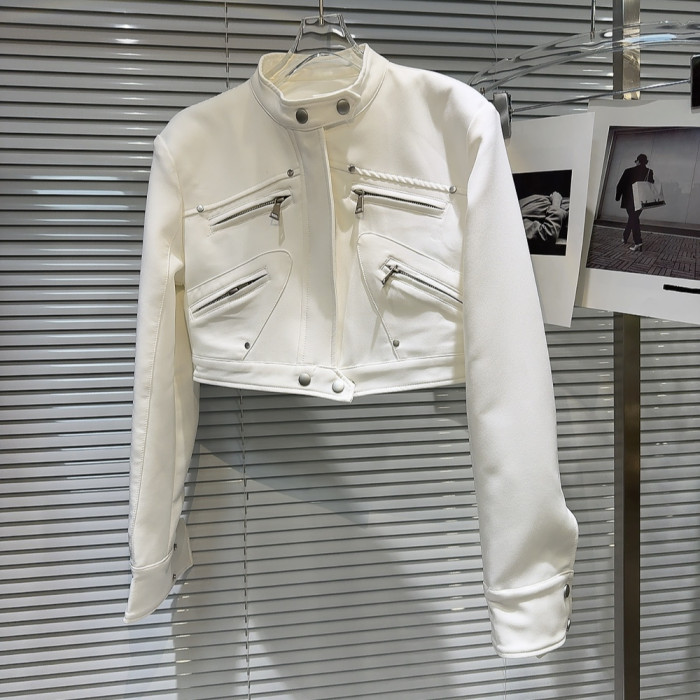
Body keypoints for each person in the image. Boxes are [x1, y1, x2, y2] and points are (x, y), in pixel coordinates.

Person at [615, 153, 654, 252]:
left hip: (629, 199)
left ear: (638, 161)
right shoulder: (649, 172)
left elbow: (620, 185)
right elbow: (651, 184)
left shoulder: (628, 171)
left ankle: (638, 241)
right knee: (633, 218)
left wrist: (617, 197)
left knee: (633, 218)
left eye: (636, 161)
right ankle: (625, 237)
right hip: (641, 200)